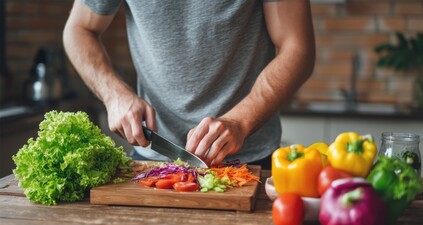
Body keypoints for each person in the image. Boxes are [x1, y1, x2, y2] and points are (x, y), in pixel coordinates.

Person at [63, 0, 315, 169]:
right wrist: (114, 94)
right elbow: (79, 28)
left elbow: (297, 48)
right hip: (152, 157)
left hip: (249, 161)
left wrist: (241, 121)